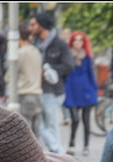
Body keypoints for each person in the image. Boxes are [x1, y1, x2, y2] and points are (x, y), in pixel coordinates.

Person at [29, 11, 74, 153]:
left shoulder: (58, 44)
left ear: (42, 25)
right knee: (40, 127)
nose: (31, 28)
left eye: (33, 24)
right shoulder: (36, 44)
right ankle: (57, 153)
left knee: (51, 125)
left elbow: (68, 66)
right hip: (38, 89)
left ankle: (59, 155)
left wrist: (49, 70)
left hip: (53, 91)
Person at [63, 31, 98, 156]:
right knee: (75, 119)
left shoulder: (87, 57)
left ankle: (86, 146)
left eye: (80, 40)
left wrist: (94, 90)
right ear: (72, 42)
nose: (78, 42)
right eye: (75, 40)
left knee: (86, 120)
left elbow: (91, 75)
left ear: (84, 42)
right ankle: (71, 144)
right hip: (71, 90)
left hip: (85, 91)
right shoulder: (67, 56)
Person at [14, 23, 42, 138]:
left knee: (25, 135)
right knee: (36, 134)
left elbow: (10, 75)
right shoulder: (36, 51)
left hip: (24, 95)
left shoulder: (19, 53)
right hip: (37, 95)